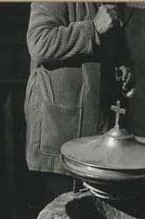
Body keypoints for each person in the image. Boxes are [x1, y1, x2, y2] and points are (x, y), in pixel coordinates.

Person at [24, 2, 134, 199]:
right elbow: (39, 43)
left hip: (99, 128)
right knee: (62, 208)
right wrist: (92, 29)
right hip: (60, 130)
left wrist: (124, 63)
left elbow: (114, 36)